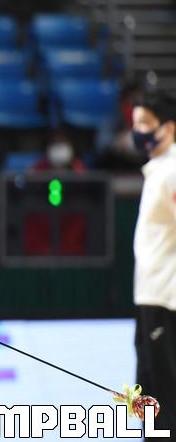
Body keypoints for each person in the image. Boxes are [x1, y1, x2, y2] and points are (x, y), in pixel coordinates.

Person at [130, 91, 176, 438]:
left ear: (168, 128)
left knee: (163, 397)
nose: (139, 131)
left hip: (165, 299)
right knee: (148, 394)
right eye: (135, 123)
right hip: (150, 296)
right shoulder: (158, 168)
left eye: (146, 123)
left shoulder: (172, 170)